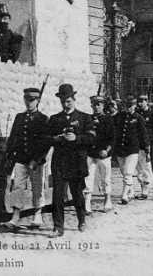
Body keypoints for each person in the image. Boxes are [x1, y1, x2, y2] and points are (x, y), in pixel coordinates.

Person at [42, 84, 95, 237]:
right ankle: (58, 227)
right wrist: (56, 138)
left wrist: (77, 138)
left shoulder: (84, 118)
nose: (66, 104)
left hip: (76, 162)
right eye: (63, 101)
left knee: (77, 193)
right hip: (59, 162)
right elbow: (45, 139)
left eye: (69, 101)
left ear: (74, 99)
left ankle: (81, 219)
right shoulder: (54, 119)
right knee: (57, 195)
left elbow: (91, 138)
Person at [0, 87, 49, 231]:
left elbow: (45, 143)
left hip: (36, 160)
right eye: (27, 99)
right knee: (18, 186)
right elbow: (13, 138)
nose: (29, 103)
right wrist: (9, 157)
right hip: (21, 158)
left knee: (37, 187)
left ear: (38, 101)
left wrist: (37, 159)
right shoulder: (20, 117)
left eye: (32, 100)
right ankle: (15, 217)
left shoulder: (43, 119)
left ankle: (37, 214)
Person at [113, 94, 148, 204]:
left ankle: (124, 195)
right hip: (121, 148)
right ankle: (131, 191)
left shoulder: (138, 118)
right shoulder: (119, 116)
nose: (129, 108)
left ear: (134, 105)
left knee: (128, 172)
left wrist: (147, 149)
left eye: (131, 105)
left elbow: (143, 134)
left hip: (132, 149)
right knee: (123, 171)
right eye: (127, 105)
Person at [84, 94, 115, 213]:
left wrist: (106, 150)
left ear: (103, 105)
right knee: (87, 177)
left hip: (103, 153)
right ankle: (87, 202)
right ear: (91, 105)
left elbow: (112, 138)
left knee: (105, 178)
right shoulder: (88, 118)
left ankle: (107, 199)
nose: (97, 107)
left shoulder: (108, 119)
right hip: (90, 152)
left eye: (99, 104)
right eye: (94, 104)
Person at [135, 93, 153, 199]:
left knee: (146, 166)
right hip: (138, 143)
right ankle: (141, 189)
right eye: (139, 101)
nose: (140, 103)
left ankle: (145, 191)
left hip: (149, 143)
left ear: (147, 101)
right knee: (139, 166)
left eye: (142, 101)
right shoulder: (137, 113)